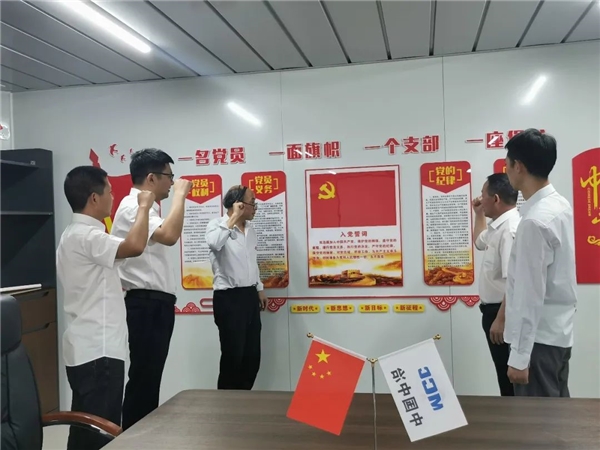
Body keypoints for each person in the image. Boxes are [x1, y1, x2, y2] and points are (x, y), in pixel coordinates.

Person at [57, 166, 154, 450]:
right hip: (98, 352)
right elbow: (134, 246)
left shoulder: (75, 235)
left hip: (88, 348)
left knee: (85, 428)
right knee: (100, 432)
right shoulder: (87, 236)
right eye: (110, 192)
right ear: (94, 198)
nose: (113, 197)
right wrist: (144, 207)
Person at [110, 148, 192, 429]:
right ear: (151, 178)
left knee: (149, 377)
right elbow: (169, 235)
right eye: (169, 176)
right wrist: (180, 196)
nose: (172, 182)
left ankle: (140, 436)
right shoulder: (133, 206)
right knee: (144, 378)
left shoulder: (147, 207)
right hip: (144, 302)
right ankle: (133, 439)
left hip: (154, 302)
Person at [503, 128, 577, 397]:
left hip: (537, 343)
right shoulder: (559, 205)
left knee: (537, 419)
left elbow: (529, 293)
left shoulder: (535, 221)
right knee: (555, 412)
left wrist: (520, 356)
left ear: (518, 166)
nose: (506, 171)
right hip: (556, 335)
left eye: (507, 164)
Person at [205, 185, 268, 390]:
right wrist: (233, 219)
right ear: (238, 204)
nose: (255, 207)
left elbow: (252, 262)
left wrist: (259, 288)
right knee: (233, 356)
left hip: (249, 295)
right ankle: (226, 402)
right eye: (252, 203)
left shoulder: (251, 230)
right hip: (228, 298)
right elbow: (215, 244)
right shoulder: (216, 225)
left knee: (252, 356)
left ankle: (243, 399)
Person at [472, 173, 520, 397]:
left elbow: (515, 281)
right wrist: (478, 214)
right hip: (494, 312)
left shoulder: (509, 230)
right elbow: (479, 242)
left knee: (509, 376)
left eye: (483, 194)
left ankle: (516, 416)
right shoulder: (498, 227)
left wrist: (501, 319)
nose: (480, 199)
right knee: (503, 373)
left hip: (502, 313)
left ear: (496, 198)